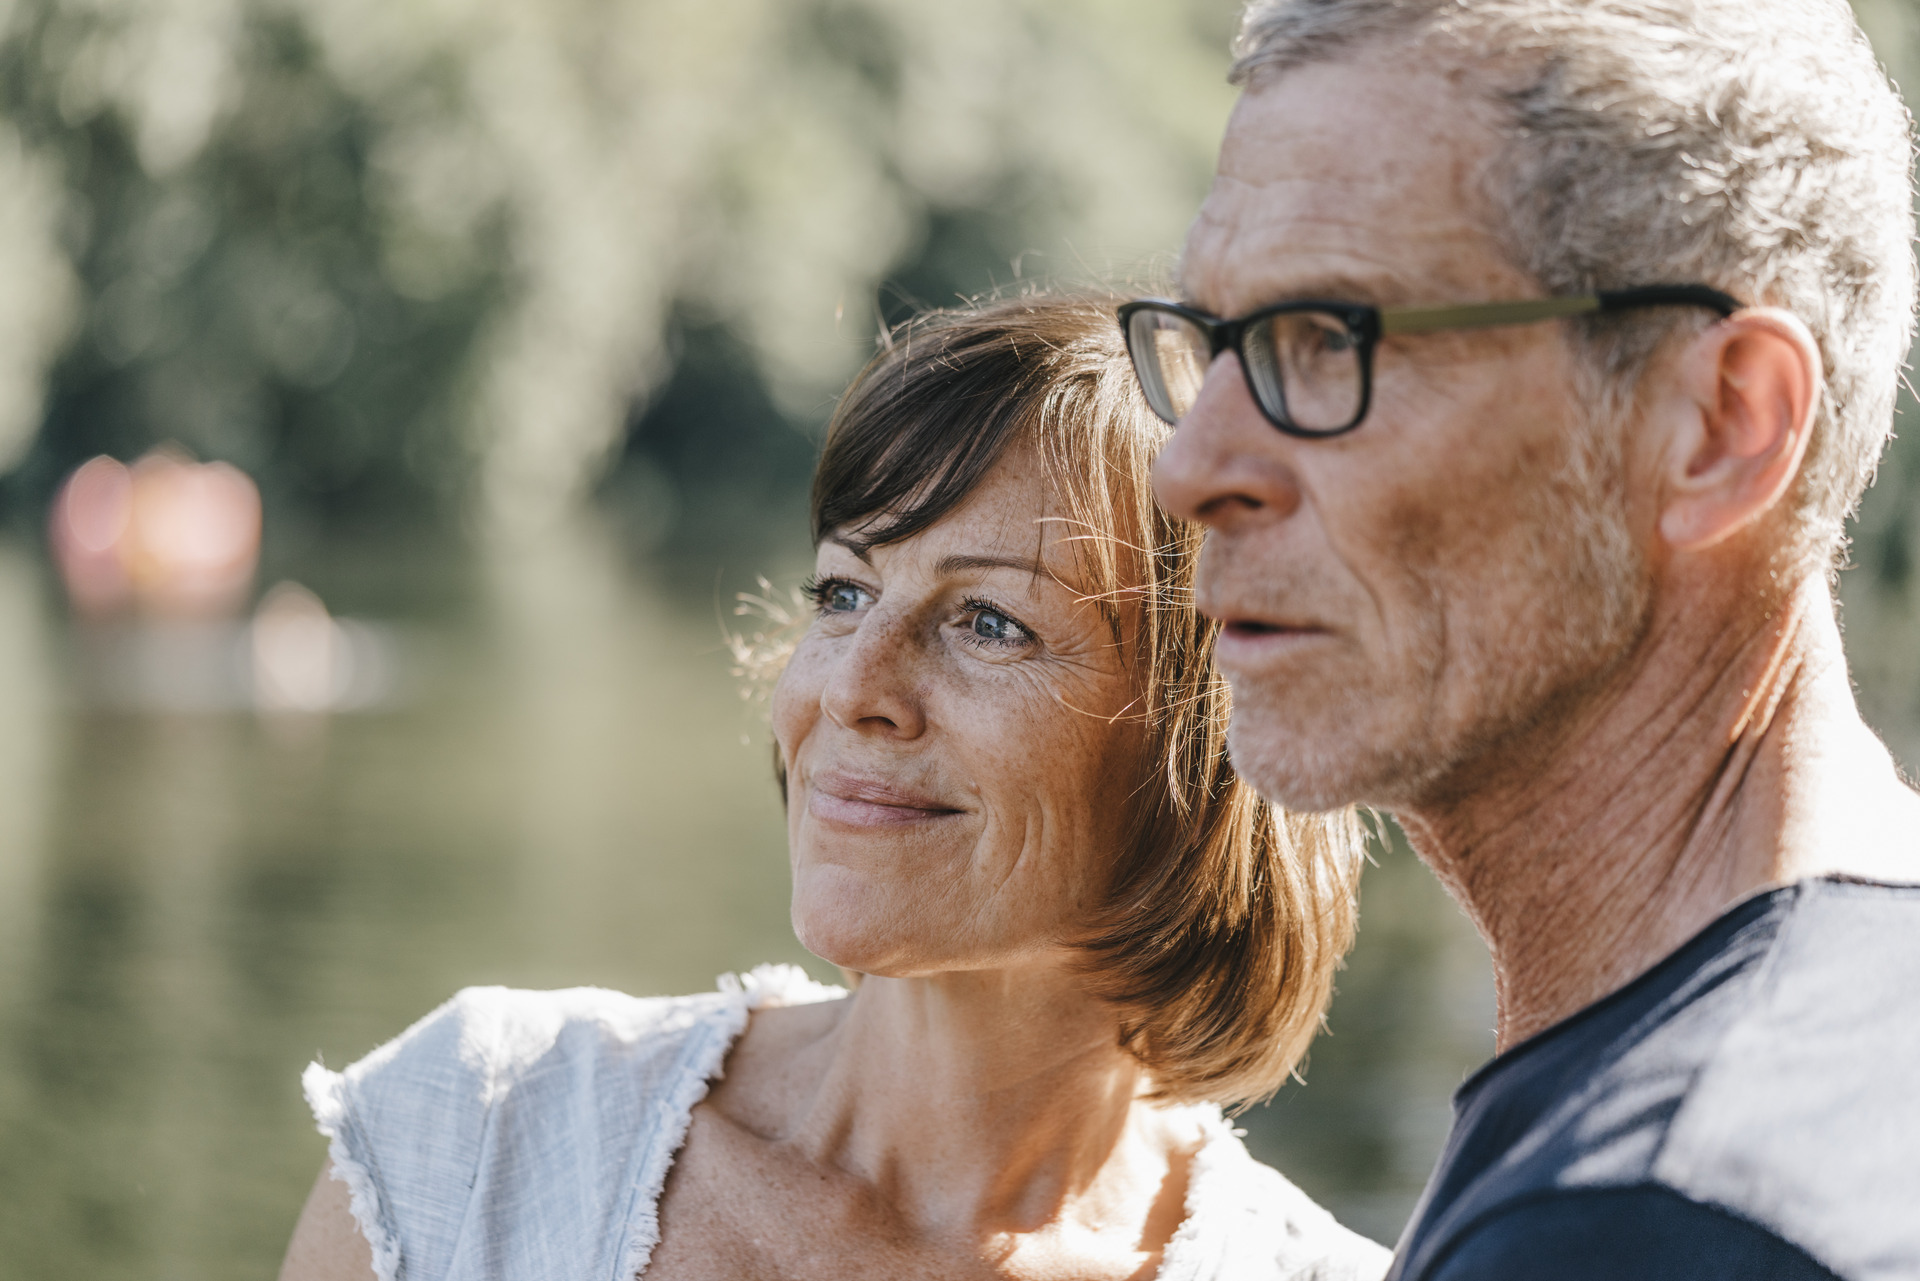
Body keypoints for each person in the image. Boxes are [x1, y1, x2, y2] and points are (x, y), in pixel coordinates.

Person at [278, 295, 1390, 1281]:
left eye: (989, 622)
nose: (852, 686)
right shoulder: (476, 1137)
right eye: (844, 592)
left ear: (1221, 737)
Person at [1125, 1, 1920, 1278]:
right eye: (1212, 343)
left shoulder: (1654, 1219)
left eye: (1329, 340)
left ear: (1720, 424)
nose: (1190, 466)